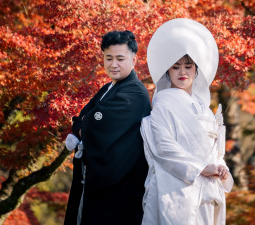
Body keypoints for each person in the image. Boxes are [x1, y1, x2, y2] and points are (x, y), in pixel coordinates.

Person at [140, 18, 234, 225]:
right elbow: (164, 147)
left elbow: (216, 151)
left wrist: (220, 167)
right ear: (167, 71)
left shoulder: (205, 110)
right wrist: (200, 168)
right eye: (176, 67)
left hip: (208, 188)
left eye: (188, 66)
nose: (182, 72)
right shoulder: (163, 105)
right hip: (176, 186)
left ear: (196, 70)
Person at [63, 30, 152, 225]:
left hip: (119, 186)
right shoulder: (108, 88)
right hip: (98, 183)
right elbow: (81, 120)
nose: (113, 64)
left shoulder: (135, 93)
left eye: (120, 58)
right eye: (108, 58)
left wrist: (83, 126)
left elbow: (90, 127)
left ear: (134, 61)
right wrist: (83, 125)